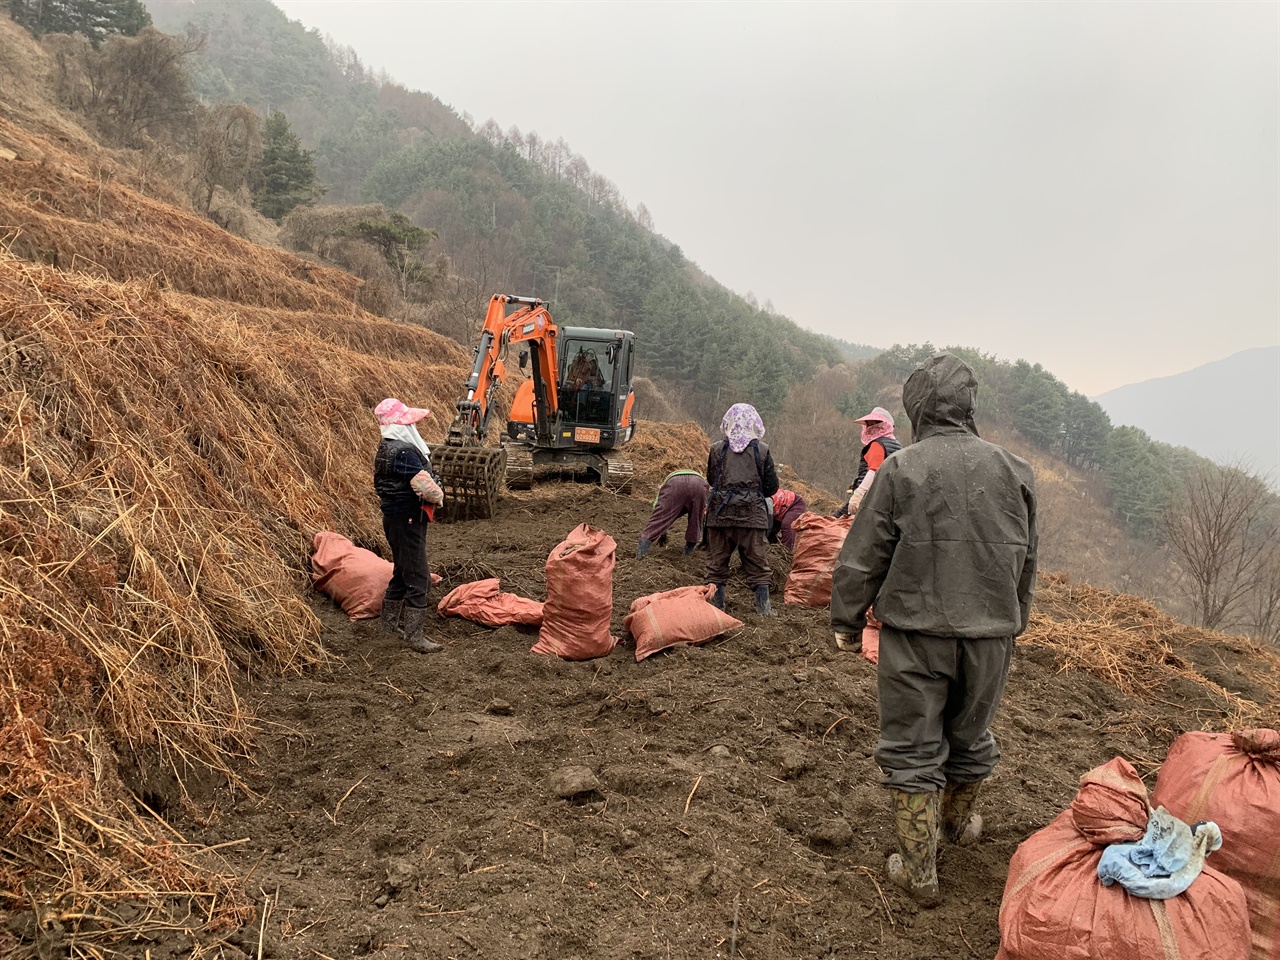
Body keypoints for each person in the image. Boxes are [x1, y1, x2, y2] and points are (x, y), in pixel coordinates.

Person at [829, 354, 1037, 907]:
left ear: (918, 405)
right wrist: (1013, 623)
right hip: (993, 636)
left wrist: (847, 623)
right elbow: (1027, 563)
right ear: (969, 404)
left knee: (913, 749)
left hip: (916, 637)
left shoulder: (903, 469)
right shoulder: (1017, 471)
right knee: (970, 737)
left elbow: (862, 555)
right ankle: (954, 826)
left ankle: (919, 870)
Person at [373, 397, 446, 654]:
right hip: (407, 517)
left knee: (402, 570)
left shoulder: (388, 447)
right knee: (417, 574)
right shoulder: (402, 451)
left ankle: (389, 627)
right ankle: (415, 636)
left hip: (397, 517)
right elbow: (422, 484)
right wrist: (439, 496)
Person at [705, 403, 779, 616]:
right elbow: (772, 487)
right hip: (752, 515)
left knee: (716, 564)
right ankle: (763, 610)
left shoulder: (716, 449)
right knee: (757, 563)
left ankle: (716, 608)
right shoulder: (762, 450)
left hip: (719, 513)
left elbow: (712, 479)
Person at [834, 406, 901, 518]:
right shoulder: (897, 446)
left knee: (836, 523)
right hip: (888, 499)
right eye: (869, 423)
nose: (870, 426)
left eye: (873, 423)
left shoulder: (877, 444)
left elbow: (874, 471)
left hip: (870, 498)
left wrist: (858, 495)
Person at [637, 469, 710, 557]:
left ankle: (640, 554)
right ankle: (687, 554)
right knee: (695, 521)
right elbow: (704, 516)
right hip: (699, 485)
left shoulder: (667, 482)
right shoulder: (698, 478)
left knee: (658, 520)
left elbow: (658, 511)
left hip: (675, 484)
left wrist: (662, 532)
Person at [766, 488, 808, 553]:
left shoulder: (765, 501)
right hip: (778, 510)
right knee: (772, 533)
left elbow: (768, 523)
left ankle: (786, 552)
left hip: (795, 504)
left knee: (787, 525)